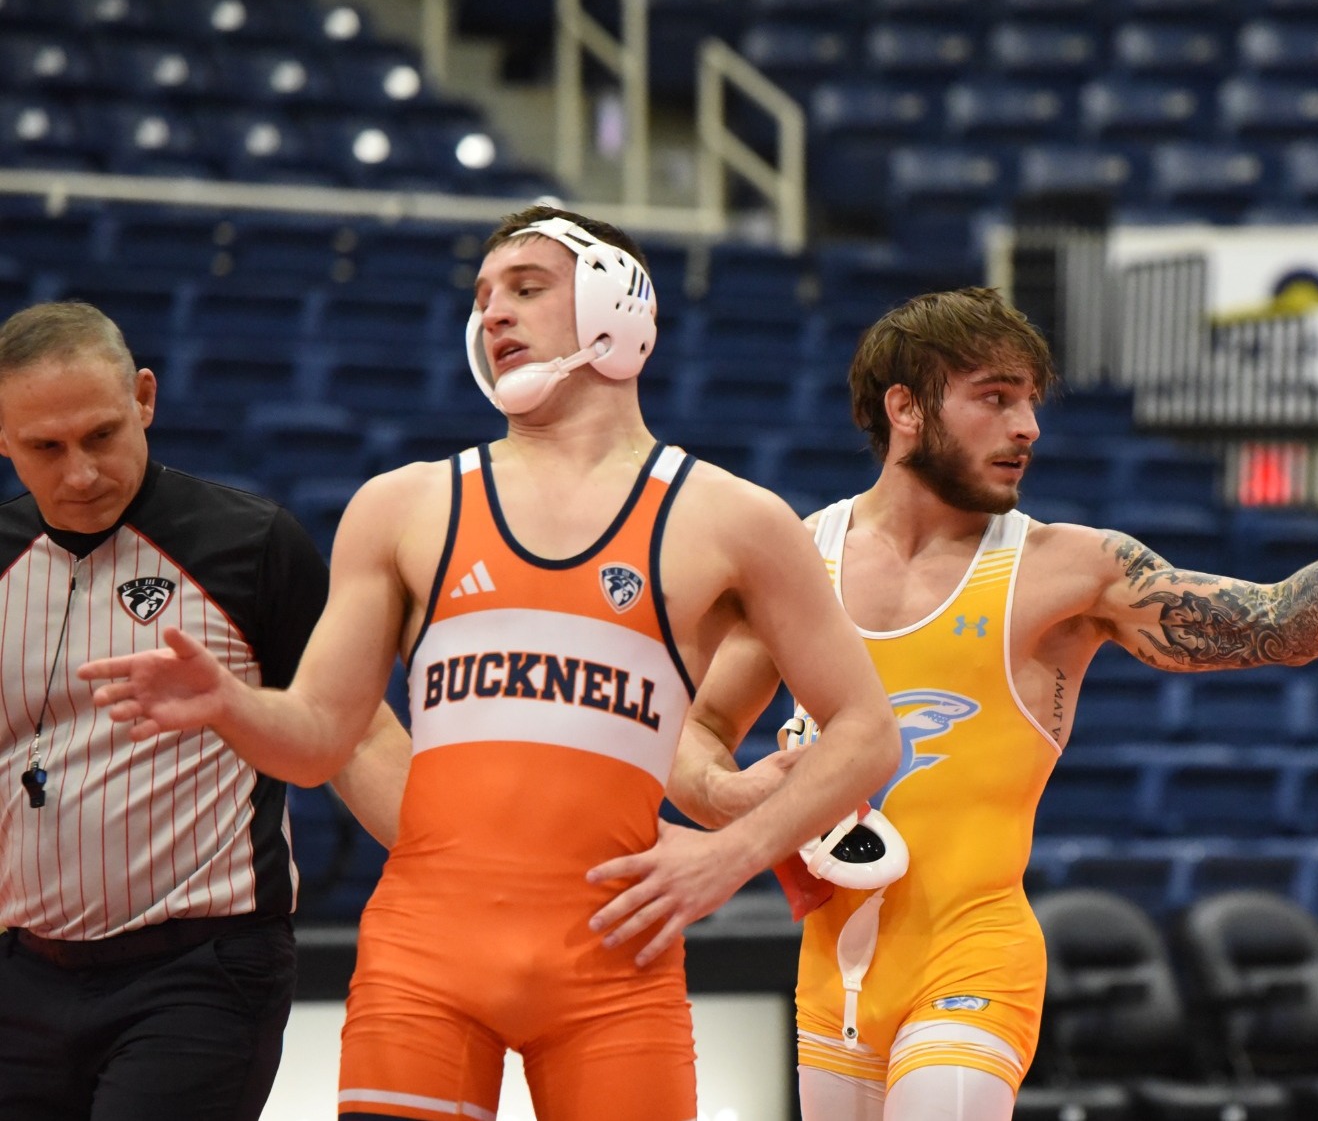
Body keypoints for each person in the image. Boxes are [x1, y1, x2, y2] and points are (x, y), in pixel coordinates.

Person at [589, 287, 1318, 1120]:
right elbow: (695, 739)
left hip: (976, 955)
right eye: (995, 398)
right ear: (906, 410)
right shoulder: (801, 560)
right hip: (831, 976)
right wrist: (747, 803)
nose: (1028, 426)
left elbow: (1275, 624)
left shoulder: (1066, 571)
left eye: (1031, 400)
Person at [78, 206, 900, 1121]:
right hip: (425, 956)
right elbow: (317, 742)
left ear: (616, 303)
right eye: (482, 297)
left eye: (526, 287)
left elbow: (868, 734)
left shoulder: (734, 520)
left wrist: (731, 855)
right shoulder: (406, 505)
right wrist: (231, 704)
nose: (493, 313)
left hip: (614, 964)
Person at [0, 300, 407, 1121]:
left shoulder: (251, 544)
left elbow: (356, 730)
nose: (79, 472)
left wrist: (466, 869)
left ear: (145, 398)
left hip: (201, 972)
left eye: (102, 435)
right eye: (45, 448)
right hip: (19, 975)